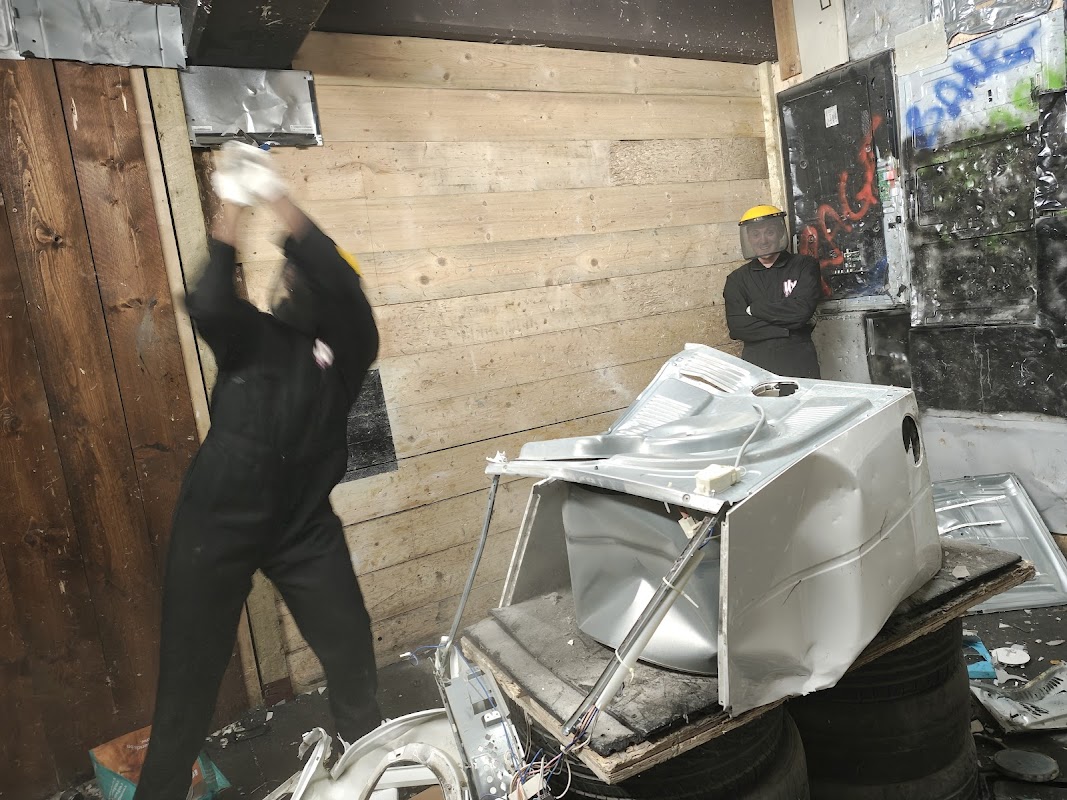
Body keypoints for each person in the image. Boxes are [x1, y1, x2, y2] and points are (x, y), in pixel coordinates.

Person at [134, 143, 382, 800]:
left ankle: (373, 769)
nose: (292, 284)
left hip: (303, 525)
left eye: (304, 276)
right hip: (216, 521)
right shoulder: (253, 336)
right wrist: (230, 206)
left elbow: (335, 277)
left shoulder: (351, 347)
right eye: (291, 276)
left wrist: (275, 195)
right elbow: (209, 300)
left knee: (350, 647)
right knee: (186, 683)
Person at [722, 205, 823, 379]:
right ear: (748, 238)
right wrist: (788, 329)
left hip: (799, 361)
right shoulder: (737, 279)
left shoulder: (804, 266)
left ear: (780, 232)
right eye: (756, 234)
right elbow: (738, 327)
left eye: (769, 232)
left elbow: (801, 312)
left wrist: (754, 310)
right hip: (757, 364)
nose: (763, 241)